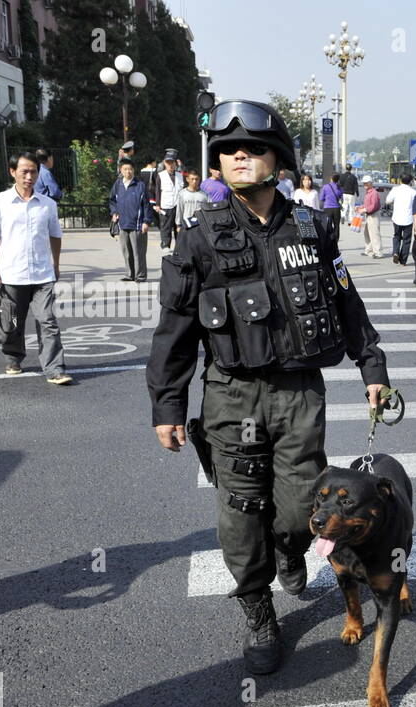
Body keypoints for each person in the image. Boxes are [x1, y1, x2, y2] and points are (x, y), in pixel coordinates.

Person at [147, 100, 391, 674]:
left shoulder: (313, 227)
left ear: (277, 159)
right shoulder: (200, 238)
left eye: (252, 147)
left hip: (299, 392)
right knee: (239, 508)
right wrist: (168, 403)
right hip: (232, 394)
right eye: (228, 150)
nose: (238, 156)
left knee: (299, 509)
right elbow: (175, 327)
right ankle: (258, 608)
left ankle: (289, 549)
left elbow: (346, 301)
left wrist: (372, 366)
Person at [0, 151, 71, 385]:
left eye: (34, 172)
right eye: (25, 171)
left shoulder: (47, 204)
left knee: (47, 320)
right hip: (12, 273)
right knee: (14, 321)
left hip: (42, 273)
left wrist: (56, 264)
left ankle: (54, 368)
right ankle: (13, 356)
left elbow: (55, 236)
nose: (30, 176)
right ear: (13, 172)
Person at [109, 158, 154, 282]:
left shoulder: (140, 185)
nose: (128, 171)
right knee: (126, 252)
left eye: (130, 169)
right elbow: (112, 200)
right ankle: (130, 274)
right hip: (123, 224)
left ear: (133, 170)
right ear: (121, 170)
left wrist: (147, 221)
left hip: (138, 224)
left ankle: (140, 276)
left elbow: (147, 204)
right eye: (125, 169)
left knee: (138, 253)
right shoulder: (117, 184)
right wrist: (114, 212)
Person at [150, 149, 185, 254]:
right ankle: (165, 244)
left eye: (172, 163)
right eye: (168, 163)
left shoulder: (180, 175)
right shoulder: (160, 175)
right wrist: (157, 205)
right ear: (165, 163)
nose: (170, 165)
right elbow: (157, 191)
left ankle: (179, 246)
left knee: (178, 227)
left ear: (175, 163)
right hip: (166, 205)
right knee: (165, 227)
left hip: (178, 206)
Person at [384, 172, 416, 266]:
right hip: (408, 219)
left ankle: (395, 252)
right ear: (410, 181)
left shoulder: (395, 189)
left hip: (397, 218)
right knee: (407, 240)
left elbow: (388, 200)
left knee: (397, 236)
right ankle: (403, 260)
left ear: (400, 180)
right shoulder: (413, 192)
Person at [355, 173, 383, 258]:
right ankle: (369, 250)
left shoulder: (374, 193)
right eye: (364, 183)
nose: (365, 185)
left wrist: (364, 209)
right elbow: (367, 204)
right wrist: (360, 207)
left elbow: (373, 205)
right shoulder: (368, 192)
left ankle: (378, 252)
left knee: (375, 233)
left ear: (371, 183)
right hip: (369, 215)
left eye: (366, 183)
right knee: (367, 233)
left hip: (373, 215)